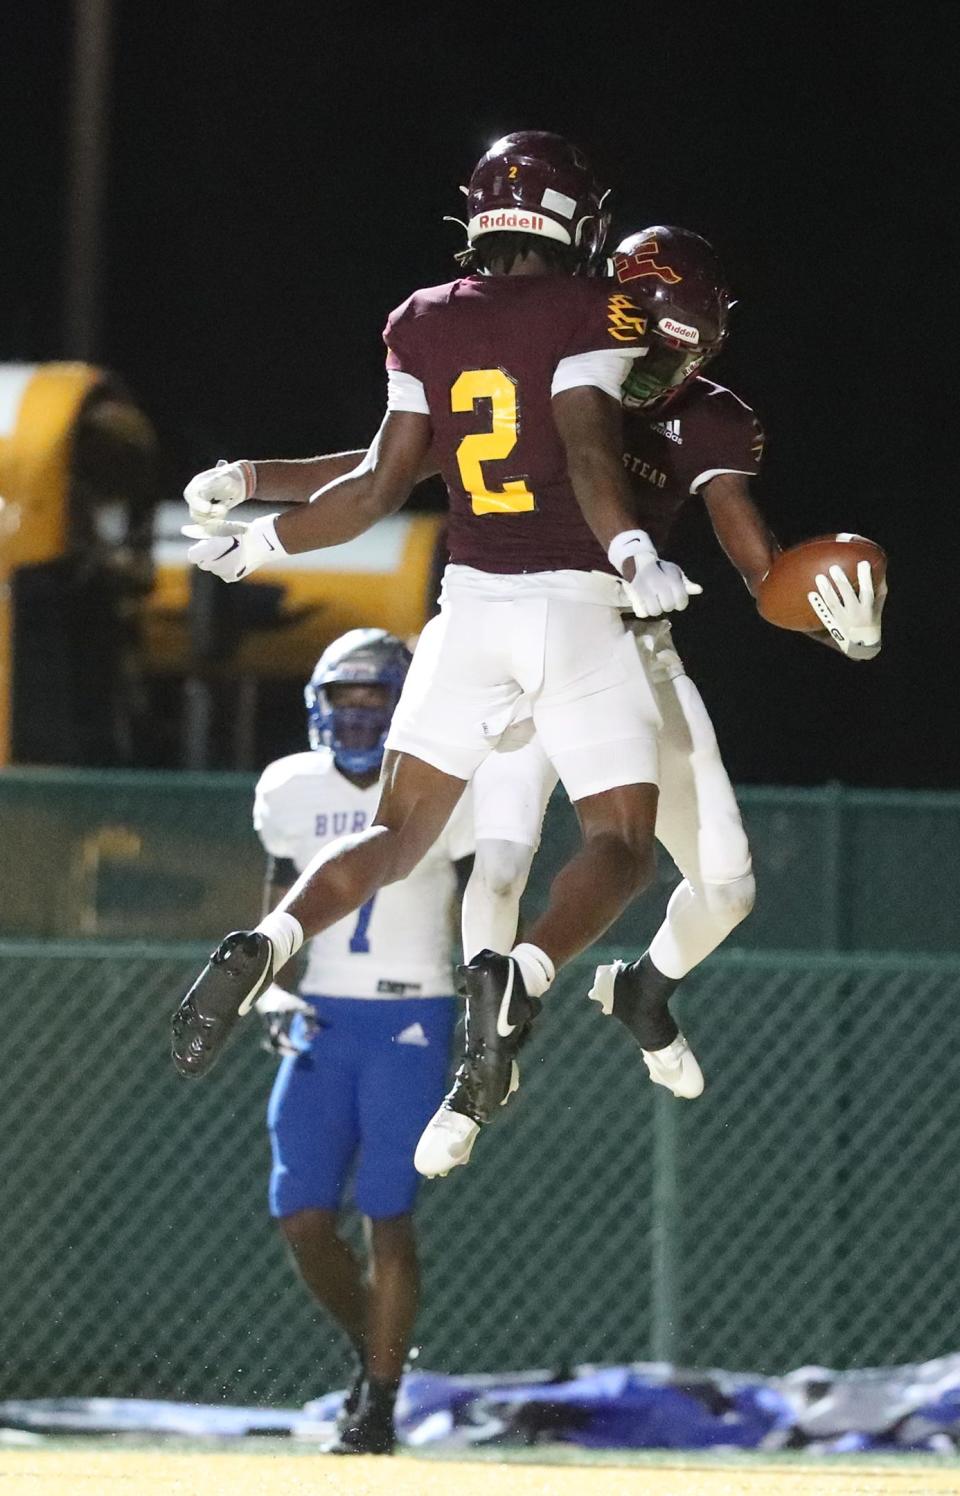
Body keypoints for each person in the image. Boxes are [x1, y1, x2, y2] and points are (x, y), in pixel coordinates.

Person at [170, 130, 702, 1181]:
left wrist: (260, 540)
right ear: (576, 222)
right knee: (623, 842)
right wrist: (634, 545)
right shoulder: (593, 310)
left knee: (393, 836)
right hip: (574, 605)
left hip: (467, 611)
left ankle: (268, 940)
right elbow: (591, 446)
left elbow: (378, 483)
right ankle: (527, 971)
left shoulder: (422, 317)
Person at [458, 225, 886, 1131]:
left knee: (727, 886)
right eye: (643, 349)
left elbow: (760, 568)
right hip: (521, 631)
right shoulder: (543, 367)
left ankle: (644, 993)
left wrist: (837, 634)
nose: (650, 375)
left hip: (626, 649)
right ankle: (479, 1057)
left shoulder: (711, 418)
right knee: (497, 864)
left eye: (673, 358)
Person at [252, 628, 472, 1453]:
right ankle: (377, 1350)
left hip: (411, 1012)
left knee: (388, 1211)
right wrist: (270, 986)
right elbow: (277, 904)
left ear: (402, 705)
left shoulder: (447, 780)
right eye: (343, 702)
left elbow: (482, 898)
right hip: (324, 1017)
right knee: (301, 1214)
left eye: (372, 701)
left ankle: (376, 1408)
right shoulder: (289, 787)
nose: (354, 719)